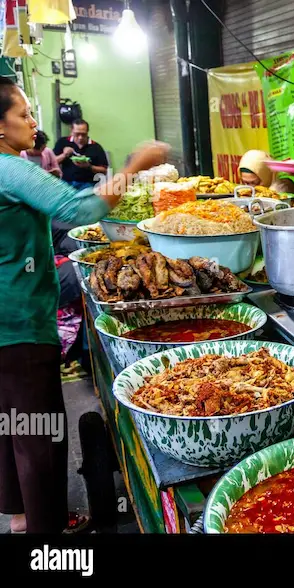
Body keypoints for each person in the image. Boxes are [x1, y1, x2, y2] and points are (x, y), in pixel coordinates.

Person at [0, 76, 169, 533]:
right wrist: (136, 163)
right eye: (23, 114)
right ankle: (47, 532)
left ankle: (21, 515)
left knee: (11, 421)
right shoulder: (10, 169)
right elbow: (81, 210)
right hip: (18, 323)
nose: (32, 122)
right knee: (39, 430)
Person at [53, 119, 109, 189]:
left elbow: (104, 171)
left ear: (87, 132)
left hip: (88, 184)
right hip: (67, 183)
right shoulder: (63, 142)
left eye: (83, 134)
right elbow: (52, 163)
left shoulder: (96, 147)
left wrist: (89, 167)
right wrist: (64, 155)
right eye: (77, 134)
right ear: (71, 131)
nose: (80, 137)